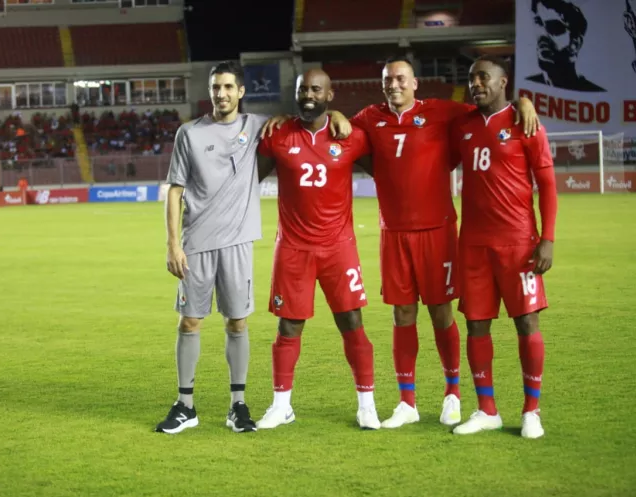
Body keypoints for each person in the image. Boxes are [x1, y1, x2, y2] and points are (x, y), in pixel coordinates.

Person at [156, 61, 351, 435]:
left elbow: (308, 117)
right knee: (190, 321)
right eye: (216, 87)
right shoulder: (189, 133)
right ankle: (185, 405)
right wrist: (172, 244)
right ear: (210, 91)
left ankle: (238, 405)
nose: (221, 94)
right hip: (195, 242)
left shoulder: (259, 126)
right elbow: (175, 190)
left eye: (229, 87)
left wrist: (338, 113)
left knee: (237, 323)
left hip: (238, 243)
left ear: (241, 92)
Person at [349, 57, 540, 430]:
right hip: (394, 233)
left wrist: (522, 102)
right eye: (388, 80)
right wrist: (339, 119)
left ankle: (452, 393)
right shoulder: (370, 117)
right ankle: (408, 402)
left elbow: (491, 105)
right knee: (401, 314)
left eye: (401, 79)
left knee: (441, 312)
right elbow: (332, 127)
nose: (394, 85)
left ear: (415, 83)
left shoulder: (442, 111)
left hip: (438, 231)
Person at [255, 69, 380, 431]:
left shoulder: (350, 136)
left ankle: (367, 405)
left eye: (315, 89)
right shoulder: (278, 135)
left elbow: (386, 172)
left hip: (339, 247)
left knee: (352, 322)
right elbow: (248, 179)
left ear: (330, 94)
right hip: (293, 248)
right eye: (302, 89)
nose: (308, 95)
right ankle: (281, 406)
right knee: (288, 325)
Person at [450, 56, 557, 439]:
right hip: (474, 245)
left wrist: (547, 239)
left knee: (526, 322)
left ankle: (532, 410)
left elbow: (547, 184)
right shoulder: (461, 124)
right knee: (476, 324)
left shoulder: (524, 123)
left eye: (483, 77)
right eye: (471, 78)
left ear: (502, 82)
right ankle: (486, 409)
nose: (476, 83)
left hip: (519, 243)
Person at [526, 0, 605, 92]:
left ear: (576, 43)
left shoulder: (593, 92)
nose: (543, 34)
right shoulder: (528, 87)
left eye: (553, 27)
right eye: (538, 24)